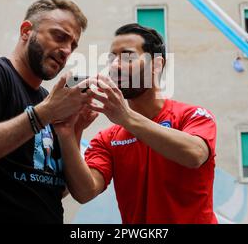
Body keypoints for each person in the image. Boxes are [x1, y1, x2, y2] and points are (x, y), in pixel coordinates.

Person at [54, 23, 218, 224]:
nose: (115, 65)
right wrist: (68, 131)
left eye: (127, 57)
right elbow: (85, 192)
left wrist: (126, 117)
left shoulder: (193, 116)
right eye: (112, 58)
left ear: (157, 65)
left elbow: (195, 154)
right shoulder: (108, 138)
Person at [0, 0, 95, 223]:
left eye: (73, 45)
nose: (66, 50)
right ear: (26, 31)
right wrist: (43, 114)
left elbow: (58, 188)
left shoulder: (47, 100)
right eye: (59, 36)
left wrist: (72, 131)